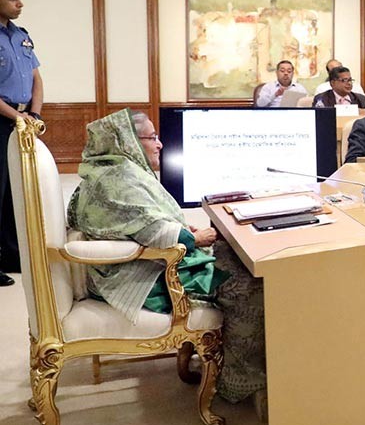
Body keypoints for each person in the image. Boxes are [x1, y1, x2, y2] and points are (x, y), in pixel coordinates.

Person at [67, 109, 265, 406]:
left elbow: (141, 221)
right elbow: (151, 230)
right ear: (129, 142)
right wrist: (192, 237)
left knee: (237, 259)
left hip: (144, 264)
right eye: (152, 137)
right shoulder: (116, 179)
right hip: (143, 277)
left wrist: (182, 229)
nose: (159, 144)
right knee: (249, 284)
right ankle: (239, 381)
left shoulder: (113, 171)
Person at [0, 0, 44, 287]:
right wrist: (16, 117)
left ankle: (12, 255)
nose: (19, 3)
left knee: (15, 192)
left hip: (21, 120)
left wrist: (33, 114)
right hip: (3, 120)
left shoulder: (20, 35)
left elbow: (36, 78)